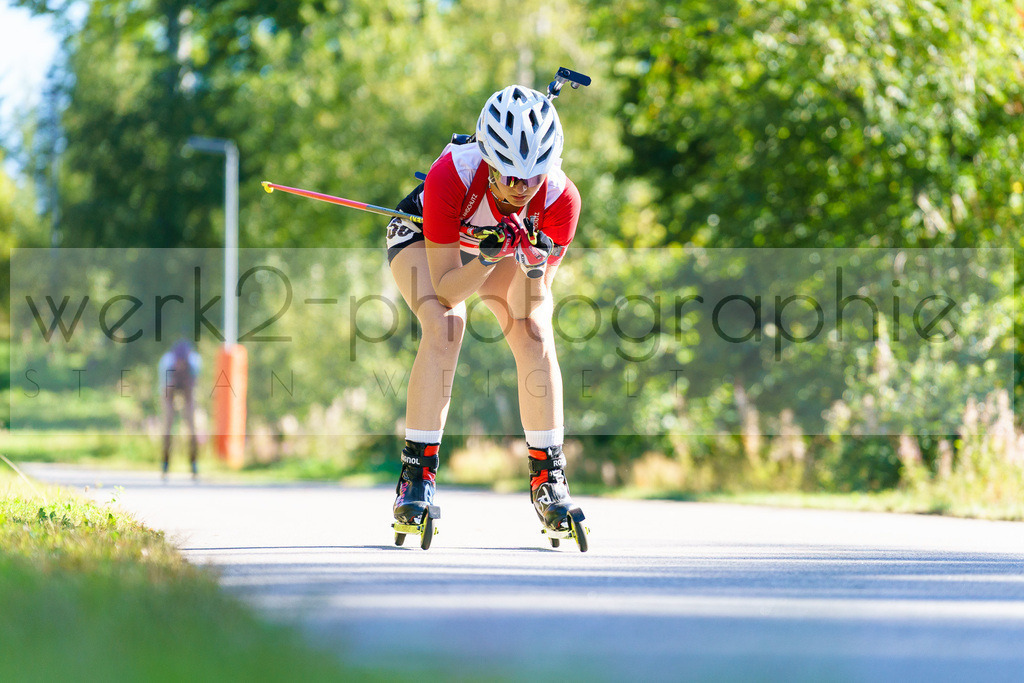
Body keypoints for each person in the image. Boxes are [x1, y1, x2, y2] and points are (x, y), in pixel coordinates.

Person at [384, 84, 583, 536]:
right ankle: (416, 478)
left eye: (532, 177)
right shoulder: (451, 175)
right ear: (488, 160)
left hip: (495, 250)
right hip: (427, 239)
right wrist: (488, 258)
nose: (520, 188)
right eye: (509, 175)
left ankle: (548, 478)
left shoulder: (561, 199)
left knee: (533, 331)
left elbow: (530, 306)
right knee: (446, 324)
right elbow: (449, 288)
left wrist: (533, 268)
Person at [158, 339, 202, 479]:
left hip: (187, 387)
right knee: (167, 424)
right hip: (169, 387)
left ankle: (194, 462)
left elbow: (192, 391)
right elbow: (166, 393)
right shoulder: (166, 363)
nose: (180, 366)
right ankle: (165, 461)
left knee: (192, 425)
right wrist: (170, 412)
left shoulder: (194, 364)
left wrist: (189, 416)